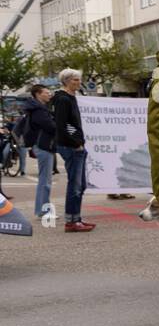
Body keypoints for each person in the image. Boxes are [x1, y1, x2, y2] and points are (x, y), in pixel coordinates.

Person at [51, 69, 93, 233]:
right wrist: (76, 143)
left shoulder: (71, 98)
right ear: (67, 81)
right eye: (75, 80)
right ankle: (71, 221)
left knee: (80, 185)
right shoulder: (62, 99)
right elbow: (61, 126)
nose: (78, 82)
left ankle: (76, 218)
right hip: (71, 147)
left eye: (79, 79)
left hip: (75, 146)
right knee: (75, 186)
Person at [21, 85, 57, 219]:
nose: (49, 94)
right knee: (45, 181)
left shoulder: (37, 108)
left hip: (41, 145)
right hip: (43, 146)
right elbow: (50, 126)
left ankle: (42, 210)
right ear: (38, 94)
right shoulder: (39, 110)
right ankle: (43, 211)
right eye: (47, 92)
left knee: (45, 179)